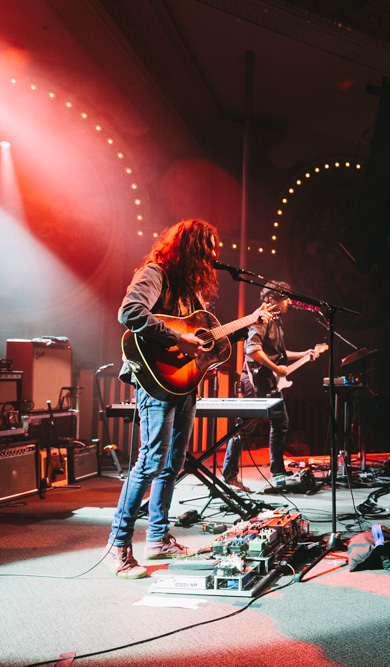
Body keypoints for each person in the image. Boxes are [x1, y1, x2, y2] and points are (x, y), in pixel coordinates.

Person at [105, 218, 266, 579]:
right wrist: (177, 339)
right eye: (207, 250)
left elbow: (207, 340)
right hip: (156, 381)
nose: (212, 257)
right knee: (150, 462)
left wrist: (247, 325)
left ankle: (158, 538)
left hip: (185, 384)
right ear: (189, 248)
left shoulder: (191, 293)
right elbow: (130, 312)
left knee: (172, 463)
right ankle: (118, 544)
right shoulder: (155, 273)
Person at [221, 280, 319, 483]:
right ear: (273, 299)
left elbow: (278, 354)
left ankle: (278, 472)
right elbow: (252, 350)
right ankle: (229, 476)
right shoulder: (262, 318)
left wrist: (304, 354)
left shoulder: (277, 321)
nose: (289, 302)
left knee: (281, 424)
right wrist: (276, 368)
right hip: (255, 380)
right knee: (244, 428)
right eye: (285, 299)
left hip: (269, 381)